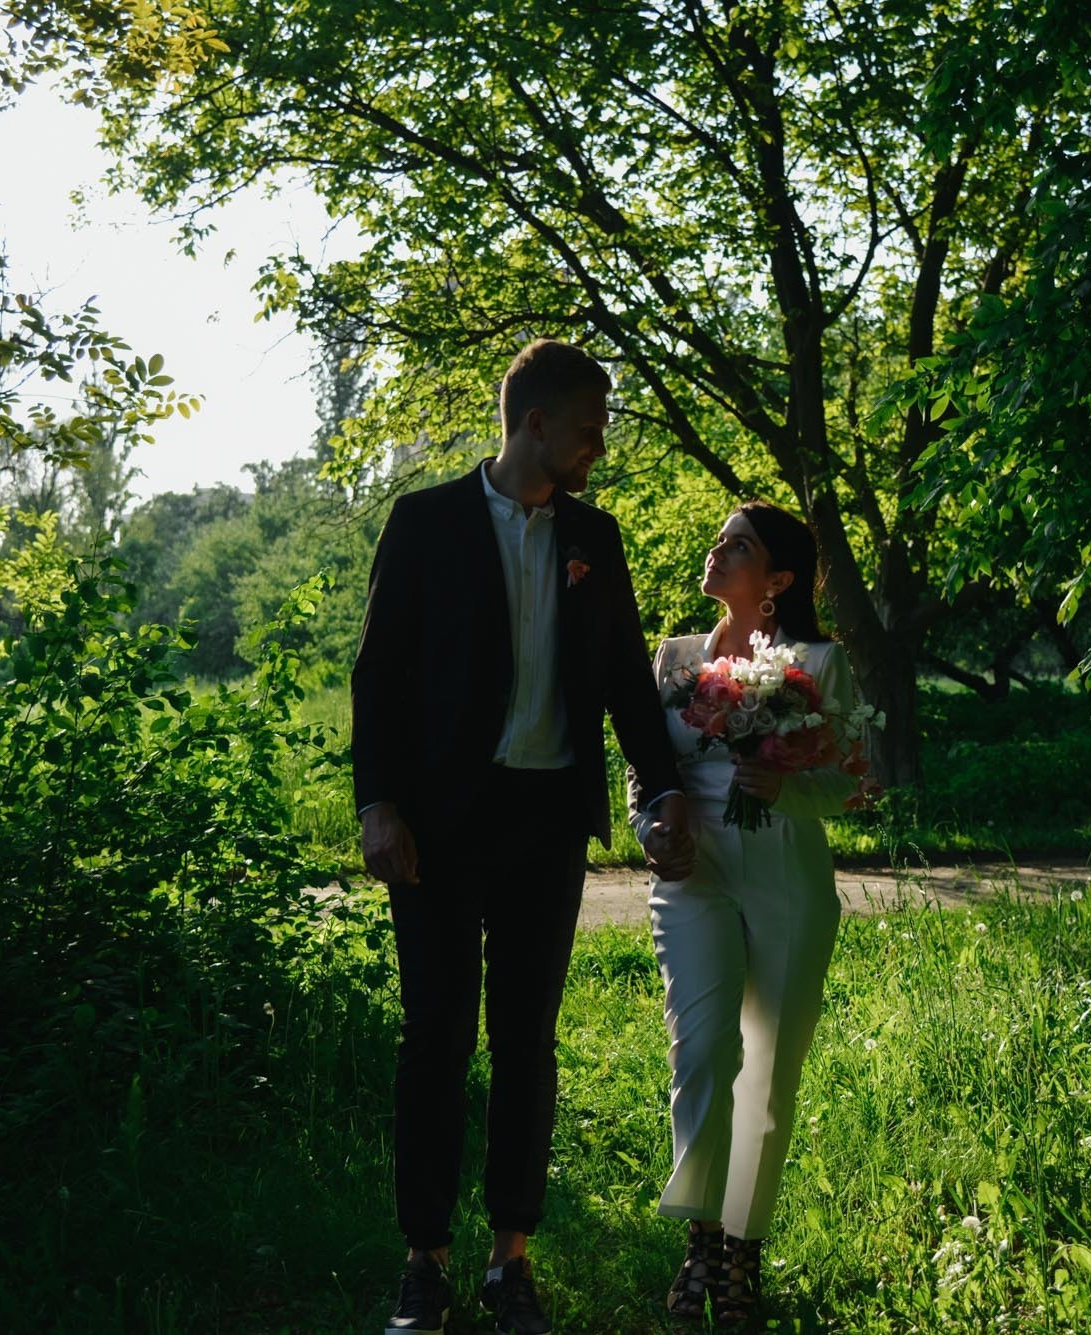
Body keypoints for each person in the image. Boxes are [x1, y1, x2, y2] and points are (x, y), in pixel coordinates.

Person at [352, 338, 695, 1335]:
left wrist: (663, 788)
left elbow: (625, 678)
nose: (599, 448)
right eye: (588, 429)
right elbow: (378, 673)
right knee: (434, 1038)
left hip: (547, 825)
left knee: (525, 1043)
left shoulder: (596, 536)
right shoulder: (424, 522)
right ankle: (423, 1263)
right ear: (534, 423)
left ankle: (511, 1262)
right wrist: (377, 804)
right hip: (438, 826)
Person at [628, 501, 861, 1326]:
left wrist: (786, 786)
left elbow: (853, 780)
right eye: (719, 538)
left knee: (767, 1068)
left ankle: (742, 1246)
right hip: (693, 875)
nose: (717, 549)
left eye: (739, 544)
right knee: (701, 1051)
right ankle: (700, 1234)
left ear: (779, 578)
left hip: (786, 876)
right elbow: (645, 767)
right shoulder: (673, 656)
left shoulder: (820, 662)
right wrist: (649, 828)